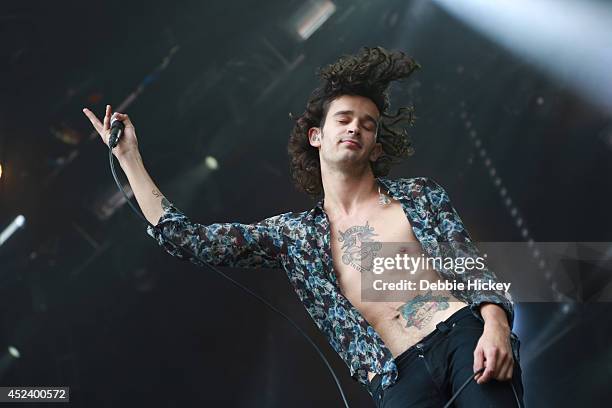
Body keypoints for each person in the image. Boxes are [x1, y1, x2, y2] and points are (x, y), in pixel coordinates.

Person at [83, 47, 524, 407]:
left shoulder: (419, 194)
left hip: (462, 336)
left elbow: (470, 267)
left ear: (374, 146)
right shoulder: (294, 236)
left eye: (368, 125)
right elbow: (187, 240)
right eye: (345, 119)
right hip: (393, 376)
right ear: (317, 136)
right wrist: (129, 159)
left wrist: (495, 324)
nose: (356, 128)